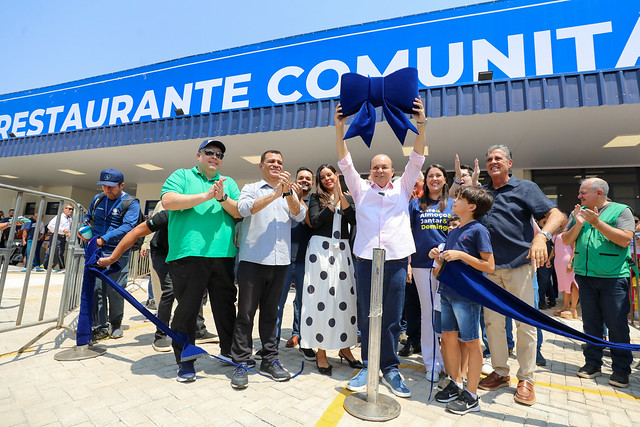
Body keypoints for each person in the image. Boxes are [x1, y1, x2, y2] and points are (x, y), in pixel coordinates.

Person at [336, 97, 427, 398]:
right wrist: (340, 129)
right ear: (370, 171)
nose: (379, 170)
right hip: (365, 260)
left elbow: (416, 157)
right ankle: (367, 365)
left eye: (384, 167)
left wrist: (421, 126)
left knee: (391, 317)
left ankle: (389, 368)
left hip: (396, 260)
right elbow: (345, 162)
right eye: (374, 167)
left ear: (392, 170)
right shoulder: (360, 190)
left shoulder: (403, 187)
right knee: (367, 315)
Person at [477, 145, 563, 406]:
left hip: (519, 266)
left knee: (524, 324)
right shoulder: (483, 192)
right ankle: (501, 372)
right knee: (493, 324)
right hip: (489, 270)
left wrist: (541, 235)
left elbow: (556, 214)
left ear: (510, 163)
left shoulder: (525, 188)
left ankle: (526, 378)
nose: (493, 162)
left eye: (498, 158)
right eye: (490, 158)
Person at [161, 139, 241, 382]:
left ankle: (230, 351)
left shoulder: (229, 183)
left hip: (223, 255)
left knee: (226, 308)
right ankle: (185, 361)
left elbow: (237, 211)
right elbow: (168, 201)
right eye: (209, 152)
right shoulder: (182, 176)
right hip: (188, 255)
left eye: (219, 154)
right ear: (199, 155)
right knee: (187, 311)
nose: (215, 156)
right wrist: (207, 195)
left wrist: (221, 196)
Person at [230, 150, 306, 389]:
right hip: (253, 262)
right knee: (245, 314)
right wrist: (274, 195)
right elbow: (243, 209)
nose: (276, 165)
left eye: (280, 162)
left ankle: (269, 359)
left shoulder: (289, 191)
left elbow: (300, 215)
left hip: (280, 262)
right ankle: (242, 361)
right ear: (261, 165)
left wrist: (288, 194)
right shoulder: (251, 188)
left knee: (271, 314)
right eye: (271, 162)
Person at [562, 178, 635, 388]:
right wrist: (578, 223)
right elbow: (566, 240)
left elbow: (624, 240)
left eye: (583, 192)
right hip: (586, 276)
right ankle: (592, 363)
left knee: (617, 325)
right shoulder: (579, 212)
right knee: (591, 324)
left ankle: (621, 370)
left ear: (599, 193)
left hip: (613, 278)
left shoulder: (622, 211)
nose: (579, 196)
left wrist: (597, 223)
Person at [431, 185, 494, 414]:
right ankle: (456, 384)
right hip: (447, 291)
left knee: (471, 342)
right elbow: (447, 266)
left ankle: (472, 394)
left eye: (459, 198)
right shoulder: (455, 230)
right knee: (448, 338)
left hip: (466, 295)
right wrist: (438, 259)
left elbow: (489, 265)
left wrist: (461, 255)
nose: (454, 200)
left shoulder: (479, 230)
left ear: (472, 206)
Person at [301, 163, 361, 376]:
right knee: (321, 301)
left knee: (344, 301)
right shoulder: (317, 199)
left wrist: (341, 199)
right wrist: (331, 203)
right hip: (321, 252)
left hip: (342, 251)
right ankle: (321, 352)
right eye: (323, 177)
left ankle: (345, 348)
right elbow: (314, 222)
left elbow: (354, 220)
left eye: (330, 175)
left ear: (336, 176)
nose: (327, 179)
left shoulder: (348, 197)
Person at [82, 169, 141, 341]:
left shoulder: (131, 203)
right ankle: (100, 325)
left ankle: (116, 323)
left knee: (115, 289)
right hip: (96, 249)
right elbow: (89, 216)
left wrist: (104, 239)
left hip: (118, 251)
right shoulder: (98, 199)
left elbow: (128, 227)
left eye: (111, 187)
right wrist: (84, 227)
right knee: (97, 288)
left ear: (122, 185)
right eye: (104, 186)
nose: (107, 190)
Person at [408, 164, 453, 382]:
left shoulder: (454, 204)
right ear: (425, 181)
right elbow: (407, 234)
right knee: (428, 313)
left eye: (439, 175)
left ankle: (449, 361)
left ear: (445, 180)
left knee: (446, 314)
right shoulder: (416, 205)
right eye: (430, 176)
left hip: (448, 266)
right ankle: (432, 363)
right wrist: (407, 262)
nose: (434, 178)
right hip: (421, 265)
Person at [275, 167, 317, 361]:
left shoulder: (315, 202)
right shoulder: (284, 198)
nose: (304, 181)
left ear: (313, 183)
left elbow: (309, 221)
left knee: (304, 304)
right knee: (277, 304)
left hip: (306, 262)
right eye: (301, 178)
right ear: (294, 180)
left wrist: (299, 199)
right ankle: (271, 343)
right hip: (283, 260)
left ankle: (302, 340)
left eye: (308, 179)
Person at [550, 213, 579, 319]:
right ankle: (565, 307)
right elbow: (554, 246)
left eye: (563, 217)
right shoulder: (557, 230)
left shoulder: (570, 230)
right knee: (563, 283)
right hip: (558, 260)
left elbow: (575, 247)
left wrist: (571, 261)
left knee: (572, 283)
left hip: (568, 259)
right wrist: (550, 259)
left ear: (568, 218)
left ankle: (573, 308)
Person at [43, 203, 73, 271]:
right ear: (64, 209)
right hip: (56, 236)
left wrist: (68, 232)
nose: (70, 211)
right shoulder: (59, 217)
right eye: (69, 209)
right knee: (56, 251)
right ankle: (61, 267)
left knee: (57, 251)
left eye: (72, 209)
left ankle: (46, 266)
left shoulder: (70, 218)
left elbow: (68, 227)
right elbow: (50, 226)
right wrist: (63, 230)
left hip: (63, 237)